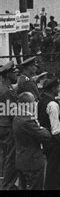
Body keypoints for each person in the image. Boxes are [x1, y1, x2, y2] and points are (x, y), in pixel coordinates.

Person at [12, 92, 52, 190]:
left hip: (22, 159)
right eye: (34, 102)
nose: (35, 104)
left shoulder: (17, 117)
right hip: (32, 162)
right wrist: (43, 129)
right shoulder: (27, 120)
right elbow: (46, 135)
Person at [38, 77, 60, 190]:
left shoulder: (41, 101)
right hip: (53, 140)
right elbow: (56, 129)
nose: (59, 90)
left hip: (45, 138)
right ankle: (53, 186)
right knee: (56, 165)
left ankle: (54, 185)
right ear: (53, 88)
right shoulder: (53, 105)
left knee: (52, 163)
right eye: (57, 88)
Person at [0, 61, 19, 190]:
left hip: (4, 125)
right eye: (14, 73)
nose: (16, 75)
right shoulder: (6, 91)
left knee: (6, 156)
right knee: (11, 157)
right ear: (8, 74)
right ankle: (8, 185)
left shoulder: (5, 88)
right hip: (7, 127)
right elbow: (13, 112)